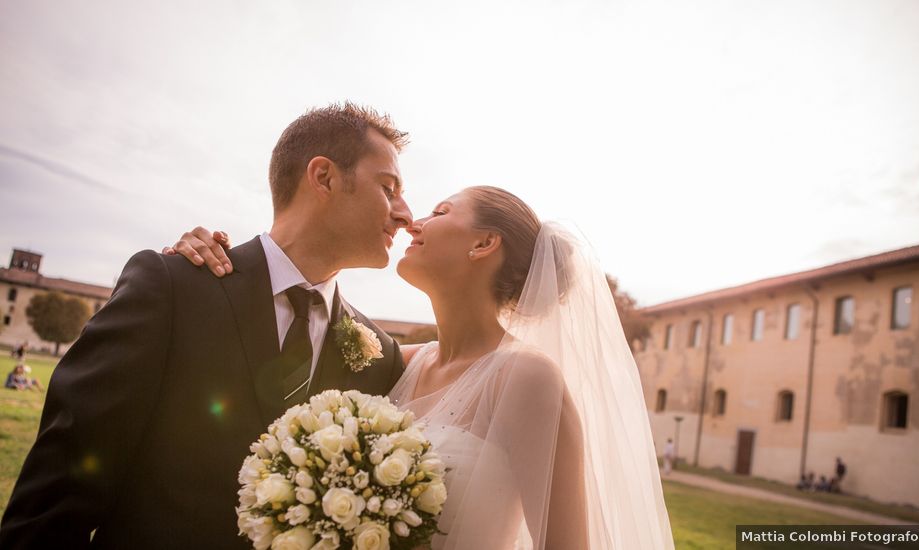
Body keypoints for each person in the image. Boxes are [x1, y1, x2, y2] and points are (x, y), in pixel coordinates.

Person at [0, 103, 413, 548]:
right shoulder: (172, 288)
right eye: (389, 188)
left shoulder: (382, 357)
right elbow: (57, 491)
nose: (405, 214)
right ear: (324, 177)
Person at [177, 186, 675, 548]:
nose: (413, 222)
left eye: (439, 212)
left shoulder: (527, 377)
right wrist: (208, 261)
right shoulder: (395, 361)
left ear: (483, 245)